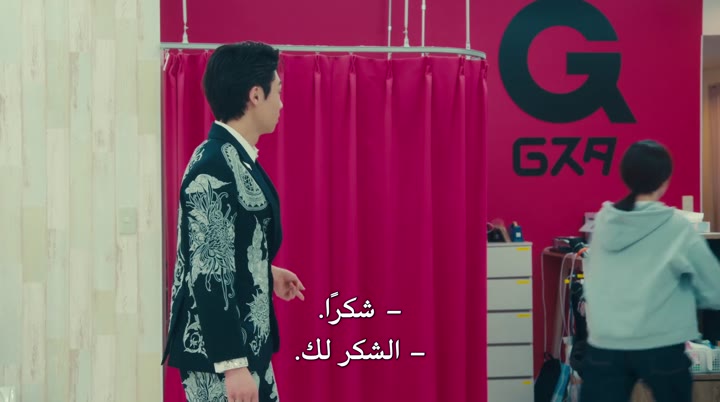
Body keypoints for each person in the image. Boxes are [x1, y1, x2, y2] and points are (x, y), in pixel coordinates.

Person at [161, 41, 306, 402]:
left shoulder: (233, 157)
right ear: (256, 95)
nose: (281, 104)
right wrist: (233, 366)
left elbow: (227, 244)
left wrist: (265, 272)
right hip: (220, 358)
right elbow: (209, 270)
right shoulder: (214, 165)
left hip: (244, 350)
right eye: (278, 92)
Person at [579, 140, 720, 402]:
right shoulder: (677, 226)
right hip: (661, 343)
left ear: (626, 176)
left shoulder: (604, 223)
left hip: (606, 343)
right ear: (665, 180)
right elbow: (714, 289)